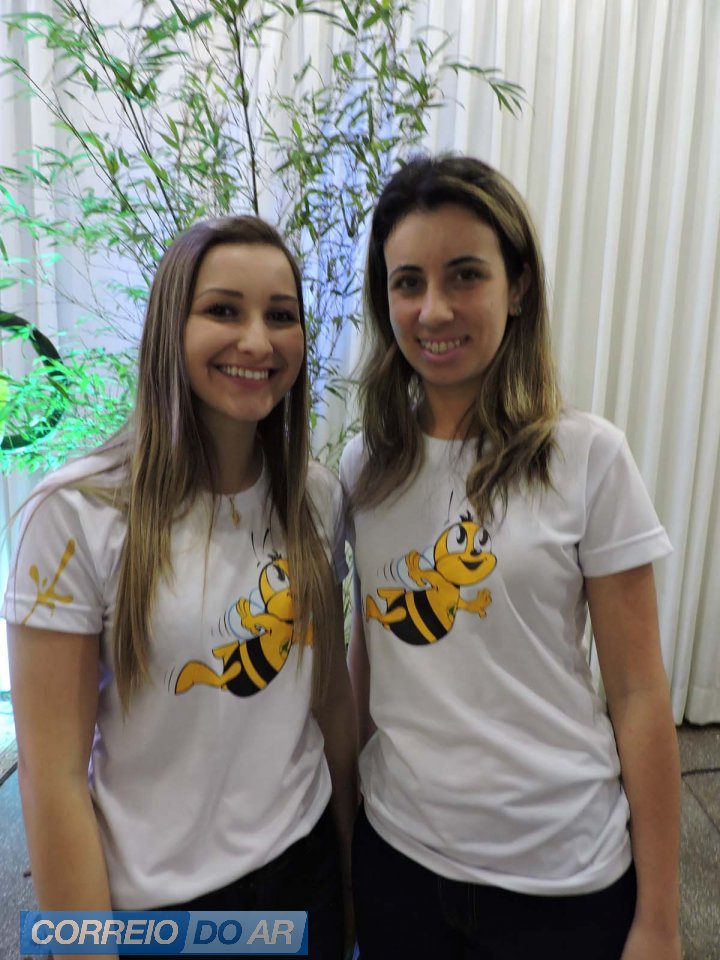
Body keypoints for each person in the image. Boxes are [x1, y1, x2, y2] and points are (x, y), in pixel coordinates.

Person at [340, 156, 681, 960]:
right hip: (399, 859)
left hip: (560, 874)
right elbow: (370, 661)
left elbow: (638, 694)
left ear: (518, 286)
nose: (433, 310)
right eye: (408, 282)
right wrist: (346, 845)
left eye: (465, 275)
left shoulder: (587, 457)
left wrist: (661, 921)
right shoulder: (368, 466)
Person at [5, 216, 357, 959]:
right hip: (161, 912)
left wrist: (355, 877)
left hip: (306, 873)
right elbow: (51, 776)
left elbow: (328, 702)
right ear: (171, 326)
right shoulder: (76, 515)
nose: (257, 341)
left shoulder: (316, 499)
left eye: (280, 315)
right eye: (224, 310)